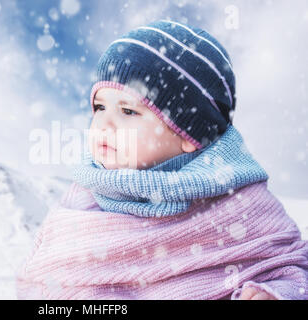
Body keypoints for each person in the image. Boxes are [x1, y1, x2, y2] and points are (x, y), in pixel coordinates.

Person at [16, 20, 308, 300]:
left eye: (128, 111)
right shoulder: (83, 199)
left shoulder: (241, 207)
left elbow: (294, 268)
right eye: (100, 107)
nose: (103, 124)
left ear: (190, 134)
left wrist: (274, 293)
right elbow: (40, 279)